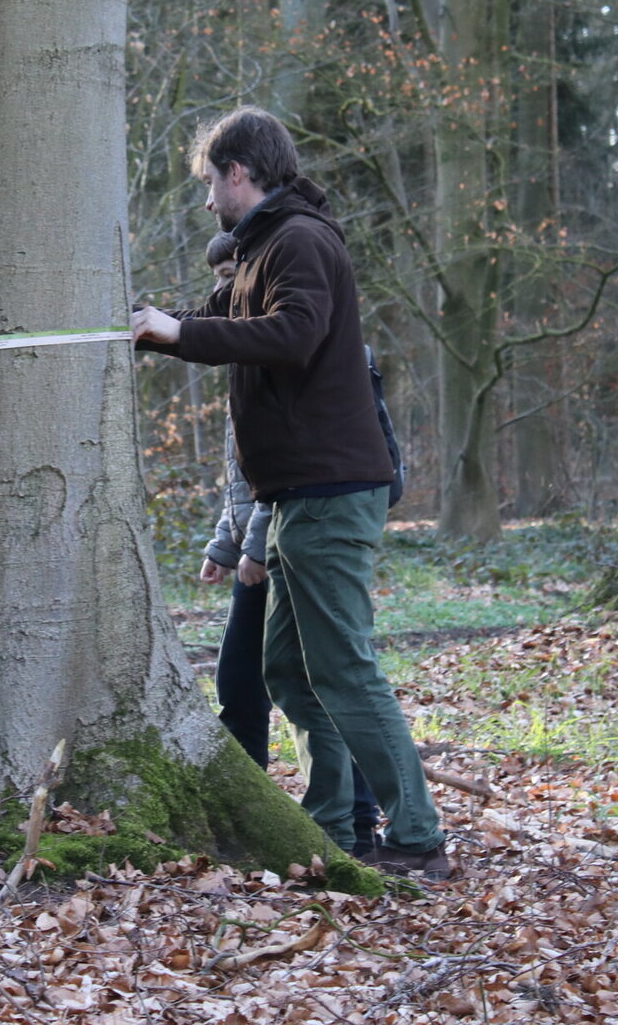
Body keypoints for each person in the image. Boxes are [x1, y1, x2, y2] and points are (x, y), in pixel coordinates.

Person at [133, 107, 451, 878]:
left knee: (343, 666)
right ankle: (334, 827)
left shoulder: (300, 240)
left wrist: (179, 332)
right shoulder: (260, 249)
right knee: (288, 666)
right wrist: (150, 329)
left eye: (211, 182)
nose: (207, 199)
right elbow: (211, 323)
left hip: (331, 489)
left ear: (240, 172)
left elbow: (294, 333)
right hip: (294, 495)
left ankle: (417, 835)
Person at [197, 230, 385, 856]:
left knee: (323, 679)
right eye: (219, 278)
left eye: (232, 276)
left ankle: (356, 821)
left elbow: (293, 465)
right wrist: (225, 544)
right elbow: (243, 471)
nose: (225, 291)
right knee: (244, 681)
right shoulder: (248, 353)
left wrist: (253, 548)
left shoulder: (310, 351)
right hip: (263, 542)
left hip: (301, 533)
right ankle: (256, 809)